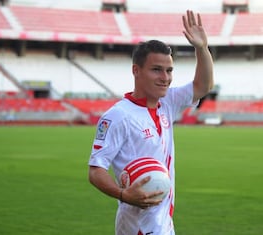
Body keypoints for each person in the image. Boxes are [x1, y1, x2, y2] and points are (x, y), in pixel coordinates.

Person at [88, 10, 214, 235]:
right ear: (136, 71)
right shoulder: (117, 116)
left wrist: (202, 49)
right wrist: (124, 195)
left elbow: (203, 86)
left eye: (169, 70)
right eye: (156, 70)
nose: (165, 77)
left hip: (162, 220)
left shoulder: (167, 102)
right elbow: (96, 170)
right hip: (138, 224)